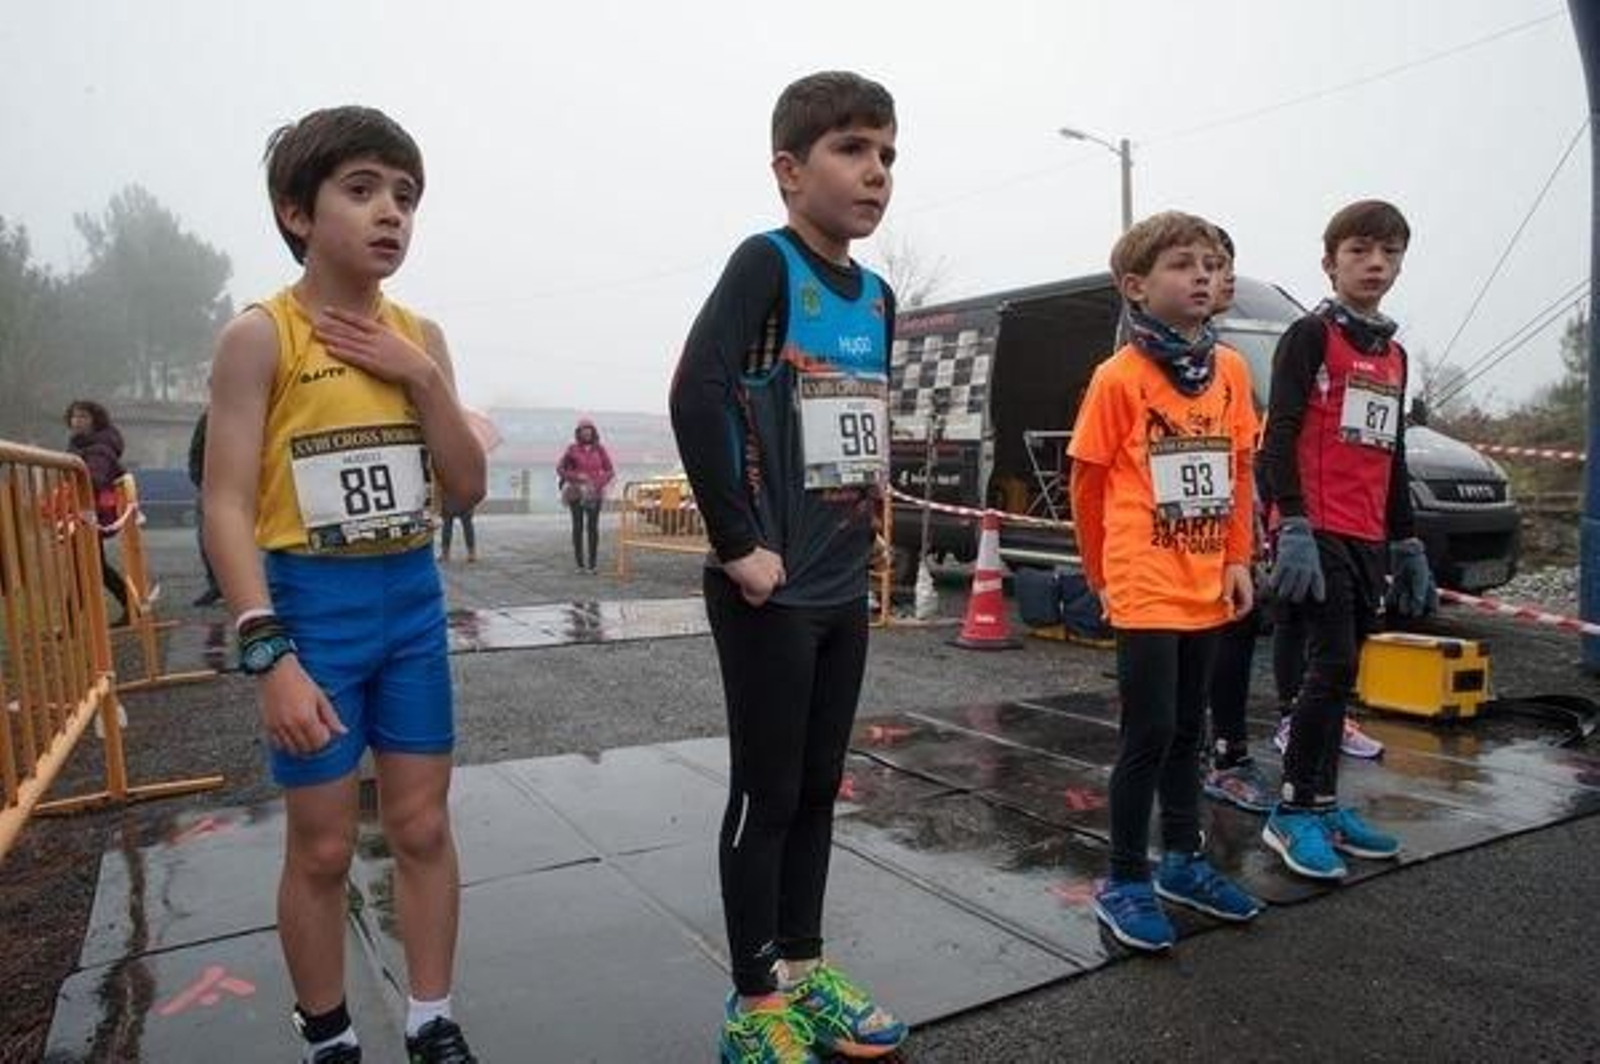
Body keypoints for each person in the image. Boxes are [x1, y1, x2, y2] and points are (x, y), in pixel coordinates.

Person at [202, 106, 485, 1064]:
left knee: (419, 824)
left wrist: (426, 383)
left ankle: (431, 1018)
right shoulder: (260, 337)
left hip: (409, 598)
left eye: (405, 196)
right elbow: (227, 507)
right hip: (312, 605)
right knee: (323, 846)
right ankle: (328, 1035)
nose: (390, 214)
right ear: (296, 212)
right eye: (361, 191)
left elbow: (467, 489)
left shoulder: (421, 336)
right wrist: (266, 647)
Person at [669, 70, 908, 1063]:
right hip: (768, 586)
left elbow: (854, 428)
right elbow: (696, 392)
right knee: (764, 791)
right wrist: (737, 545)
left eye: (888, 154)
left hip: (840, 583)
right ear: (788, 167)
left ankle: (806, 972)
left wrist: (876, 528)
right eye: (852, 150)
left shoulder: (881, 294)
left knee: (818, 785)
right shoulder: (766, 265)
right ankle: (753, 996)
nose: (876, 172)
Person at [1069, 211, 1263, 953]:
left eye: (1212, 263)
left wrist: (1239, 558)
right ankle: (1124, 878)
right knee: (1147, 734)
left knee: (1192, 732)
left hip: (1208, 579)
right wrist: (1101, 576)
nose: (1203, 276)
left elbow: (1240, 470)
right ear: (1136, 287)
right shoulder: (1119, 378)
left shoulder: (1233, 373)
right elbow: (1087, 485)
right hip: (1145, 580)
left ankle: (1184, 862)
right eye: (1184, 264)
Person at [1258, 199, 1435, 881]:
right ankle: (1293, 809)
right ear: (1331, 262)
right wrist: (1291, 521)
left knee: (1343, 673)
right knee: (1328, 666)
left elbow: (1389, 454)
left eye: (1389, 253)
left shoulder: (1393, 356)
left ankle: (1325, 803)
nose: (1376, 264)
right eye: (1360, 250)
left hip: (1366, 533)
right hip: (1315, 528)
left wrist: (1408, 541)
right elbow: (1278, 437)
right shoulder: (1309, 336)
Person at [1198, 228, 1276, 813]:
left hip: (1235, 527)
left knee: (1237, 632)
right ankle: (1218, 752)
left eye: (1226, 265)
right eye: (1209, 266)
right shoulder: (1173, 353)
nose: (1221, 278)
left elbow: (1244, 457)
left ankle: (1226, 749)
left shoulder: (1231, 362)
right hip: (1179, 543)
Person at [65, 400, 131, 627]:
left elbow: (95, 480)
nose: (77, 421)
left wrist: (73, 476)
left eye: (83, 416)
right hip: (82, 513)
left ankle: (69, 624)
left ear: (96, 421)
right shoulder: (79, 446)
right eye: (74, 416)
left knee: (83, 567)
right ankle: (131, 608)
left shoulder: (98, 449)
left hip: (89, 515)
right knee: (95, 567)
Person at [555, 418, 613, 573]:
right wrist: (576, 476)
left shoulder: (600, 449)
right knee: (578, 527)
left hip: (594, 493)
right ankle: (579, 565)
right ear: (578, 433)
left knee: (593, 528)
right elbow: (560, 469)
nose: (587, 432)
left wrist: (597, 483)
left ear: (593, 432)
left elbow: (610, 470)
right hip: (576, 493)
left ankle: (592, 565)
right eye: (583, 430)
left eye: (589, 430)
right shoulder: (572, 449)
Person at [188, 407, 224, 606]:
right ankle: (216, 584)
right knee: (207, 538)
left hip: (251, 484)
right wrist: (200, 479)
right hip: (212, 485)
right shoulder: (209, 417)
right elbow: (196, 450)